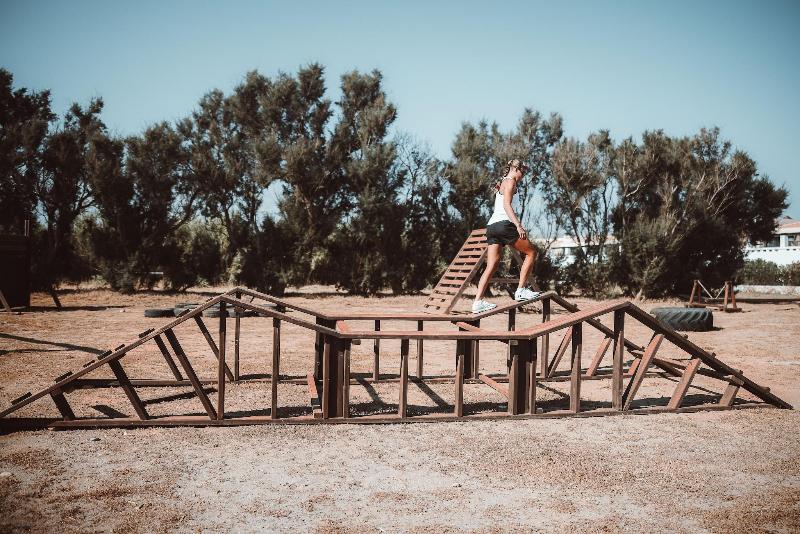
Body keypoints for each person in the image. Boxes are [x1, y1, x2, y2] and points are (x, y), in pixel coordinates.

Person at [472, 159, 540, 313]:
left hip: (492, 227)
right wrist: (518, 225)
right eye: (523, 171)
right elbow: (506, 205)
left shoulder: (503, 182)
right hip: (504, 225)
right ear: (515, 169)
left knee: (491, 265)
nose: (524, 175)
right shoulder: (510, 182)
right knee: (531, 252)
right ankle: (521, 290)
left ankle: (477, 302)